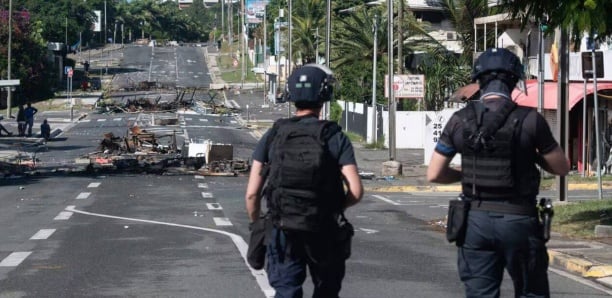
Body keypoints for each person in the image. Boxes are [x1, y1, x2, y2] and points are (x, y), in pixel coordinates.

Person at [426, 48, 570, 297]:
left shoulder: (460, 120)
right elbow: (561, 167)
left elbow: (435, 173)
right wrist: (531, 154)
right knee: (531, 292)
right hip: (520, 221)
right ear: (515, 80)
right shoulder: (530, 120)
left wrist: (465, 173)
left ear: (478, 80)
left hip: (475, 221)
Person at [245, 64, 363, 298]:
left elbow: (251, 194)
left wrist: (257, 223)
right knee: (327, 290)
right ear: (324, 96)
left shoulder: (274, 134)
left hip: (283, 227)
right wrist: (333, 207)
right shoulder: (334, 136)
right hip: (324, 227)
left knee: (287, 290)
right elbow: (356, 191)